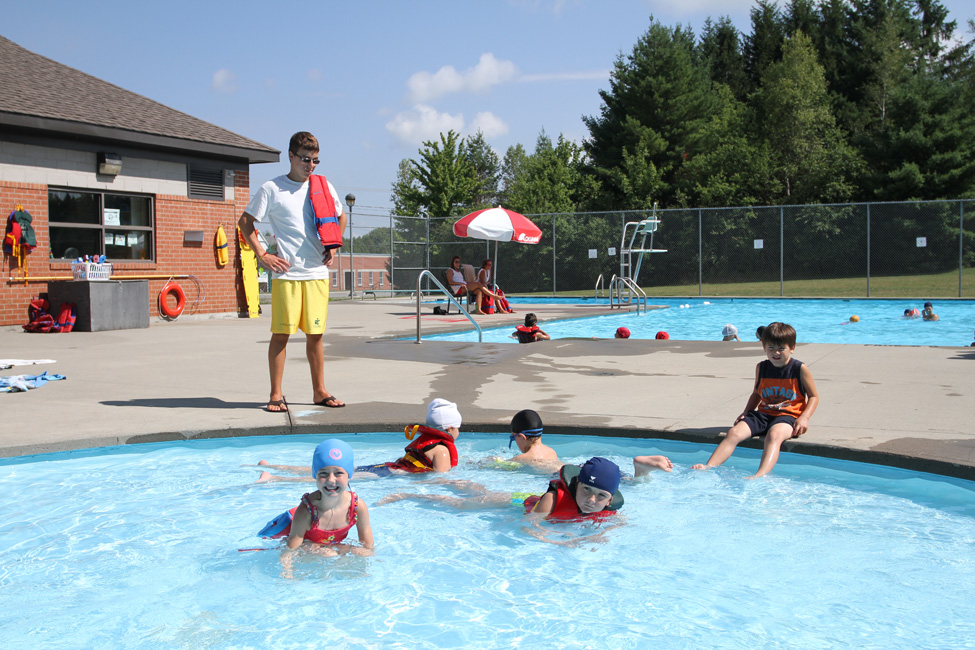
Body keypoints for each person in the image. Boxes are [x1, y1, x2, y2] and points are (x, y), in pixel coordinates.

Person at [238, 131, 347, 413]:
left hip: (316, 273)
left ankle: (319, 391)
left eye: (315, 161)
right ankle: (275, 394)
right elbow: (246, 222)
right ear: (291, 156)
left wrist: (334, 246)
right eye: (305, 159)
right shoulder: (272, 189)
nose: (310, 166)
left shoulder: (323, 186)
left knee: (316, 335)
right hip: (287, 274)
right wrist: (262, 255)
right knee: (281, 334)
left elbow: (340, 215)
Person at [692, 322, 819, 478]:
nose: (776, 352)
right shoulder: (762, 367)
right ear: (764, 347)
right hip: (763, 415)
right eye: (771, 348)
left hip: (789, 416)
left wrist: (804, 418)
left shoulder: (799, 368)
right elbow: (756, 393)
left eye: (781, 348)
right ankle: (709, 466)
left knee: (774, 436)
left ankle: (760, 474)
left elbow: (814, 396)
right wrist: (747, 412)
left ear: (792, 348)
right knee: (734, 433)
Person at [256, 398, 464, 480]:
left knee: (342, 470)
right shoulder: (442, 449)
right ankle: (274, 478)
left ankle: (273, 466)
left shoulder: (429, 441)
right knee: (339, 478)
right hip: (389, 473)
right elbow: (439, 479)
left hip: (386, 466)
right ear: (451, 427)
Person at [257, 439, 373, 561]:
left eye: (338, 473)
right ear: (315, 476)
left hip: (332, 545)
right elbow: (291, 549)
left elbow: (368, 546)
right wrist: (287, 574)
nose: (331, 480)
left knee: (362, 553)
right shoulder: (307, 510)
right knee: (329, 555)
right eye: (323, 474)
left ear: (348, 475)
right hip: (306, 543)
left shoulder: (357, 506)